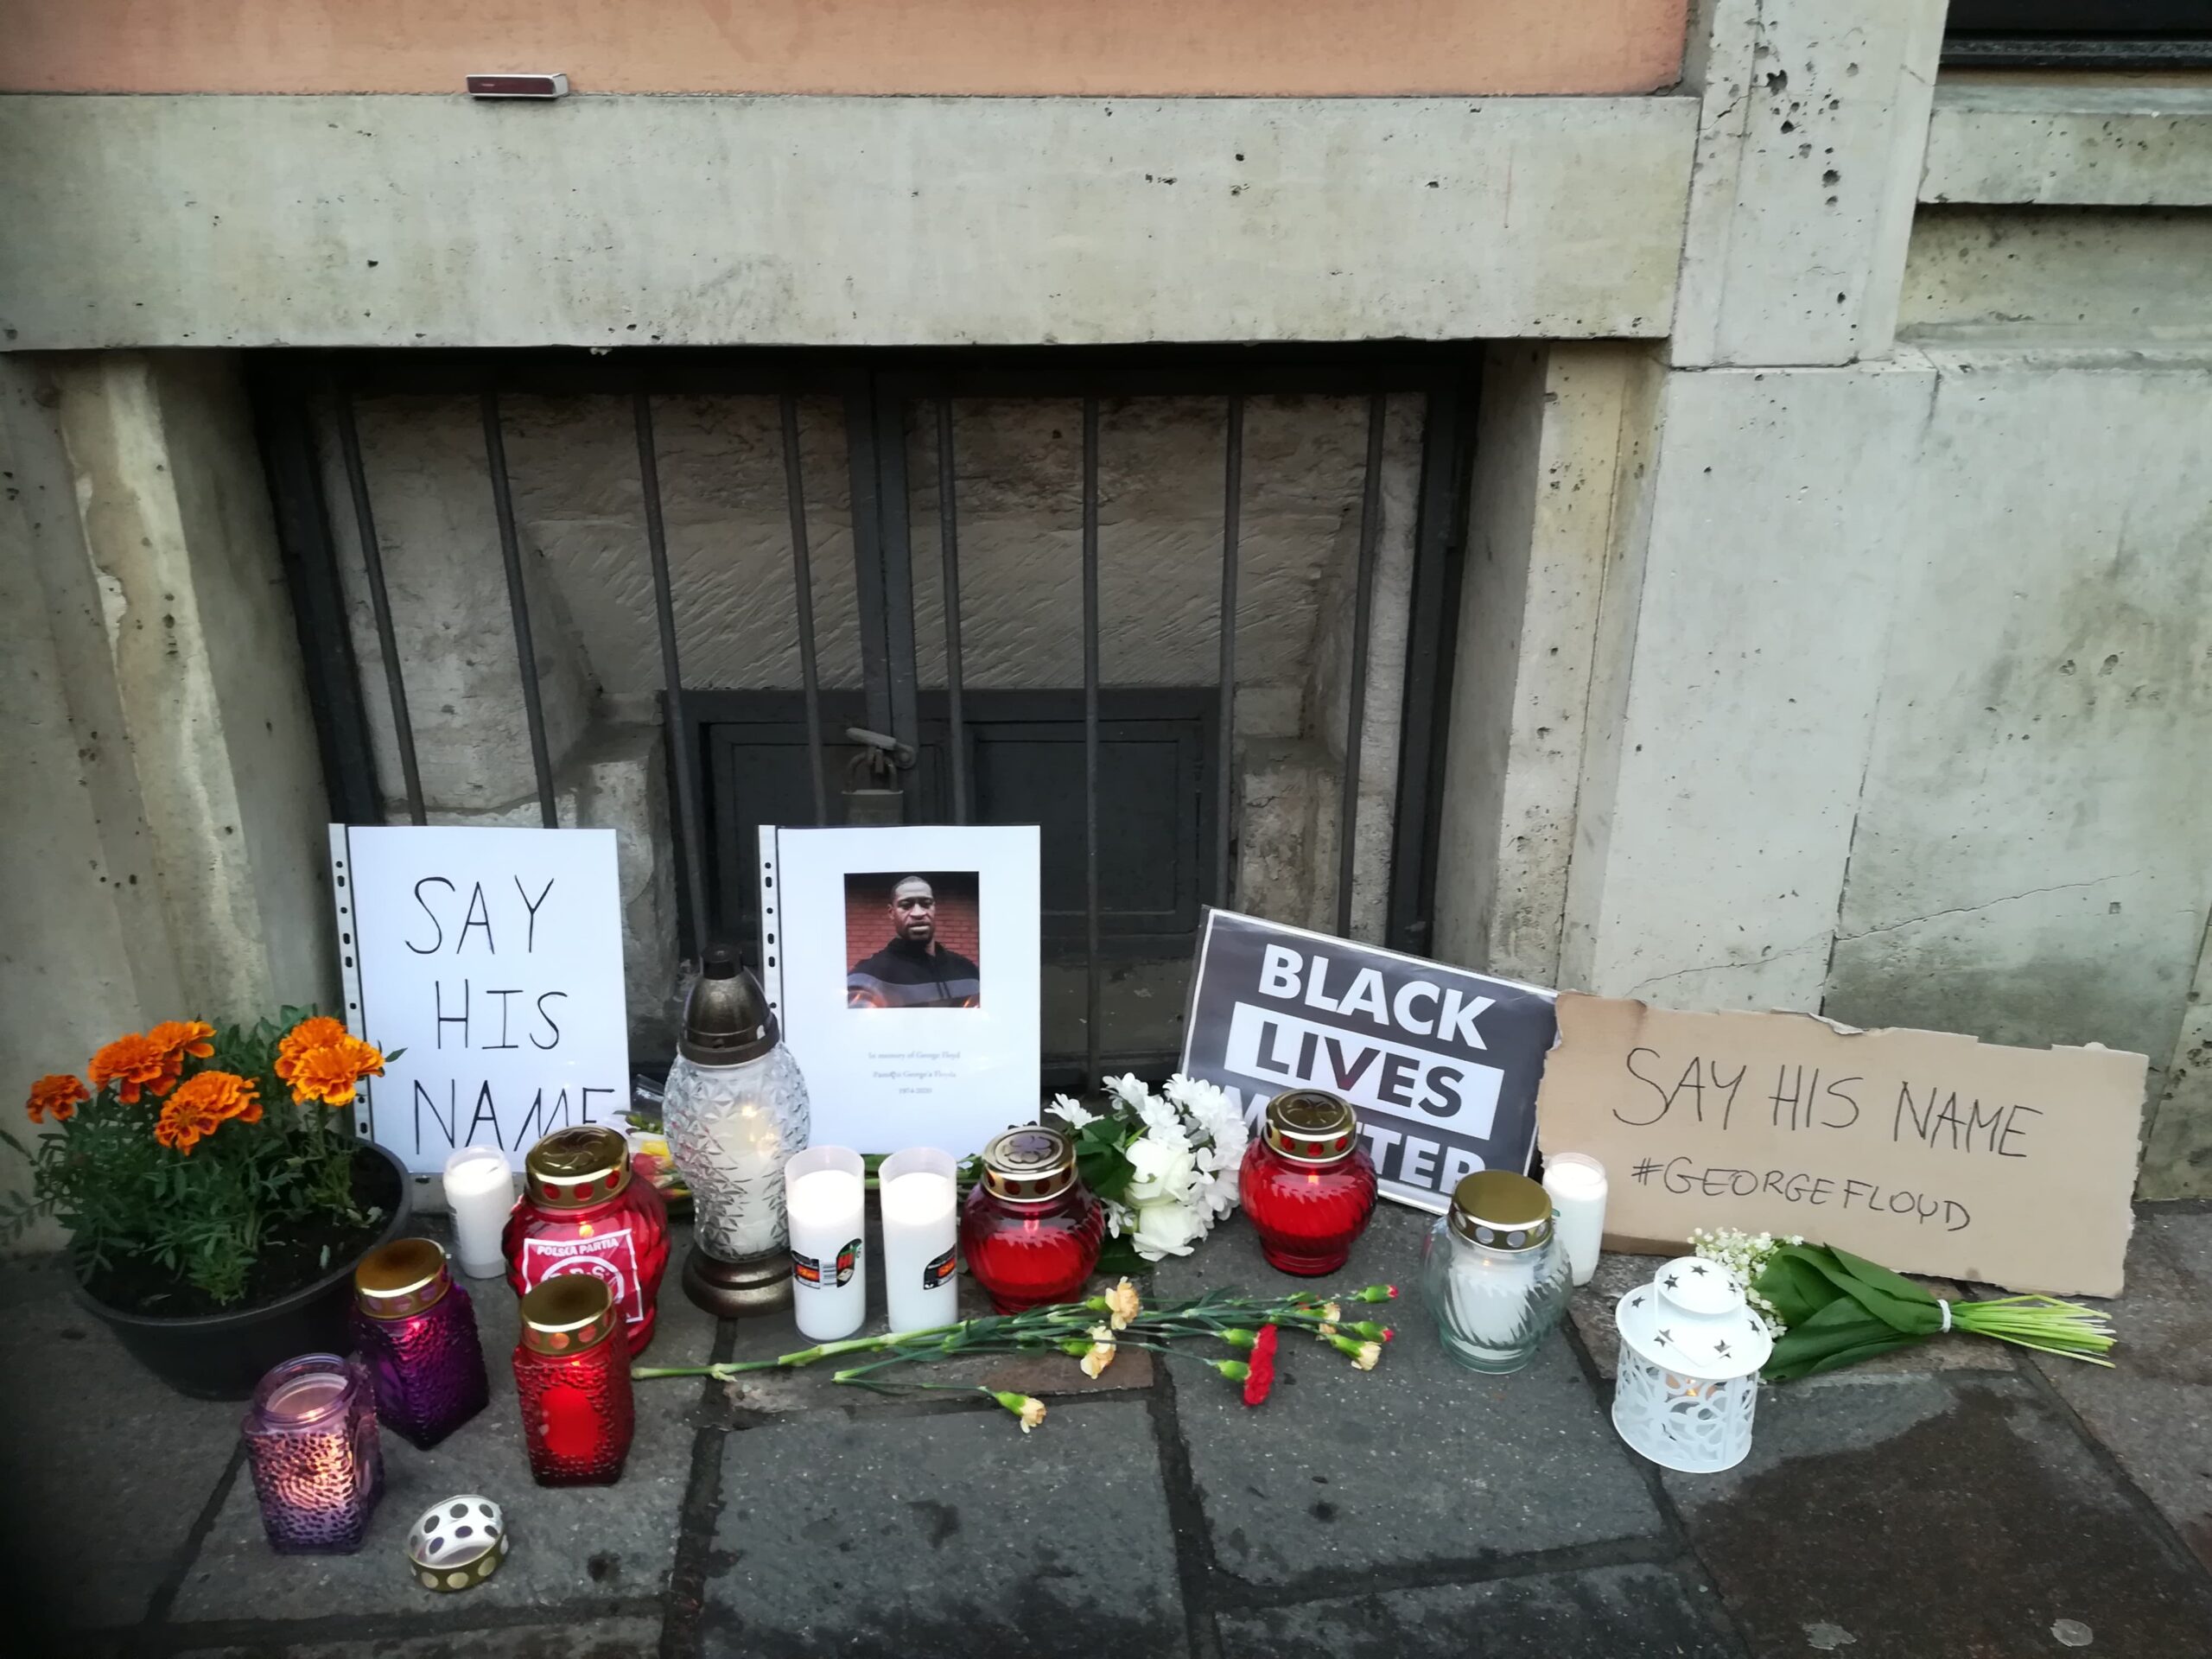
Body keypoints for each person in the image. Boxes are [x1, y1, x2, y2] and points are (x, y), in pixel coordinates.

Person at [847, 876, 982, 1009]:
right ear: (891, 912)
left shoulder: (969, 970)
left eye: (926, 904)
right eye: (906, 906)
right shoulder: (866, 979)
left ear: (934, 908)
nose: (918, 913)